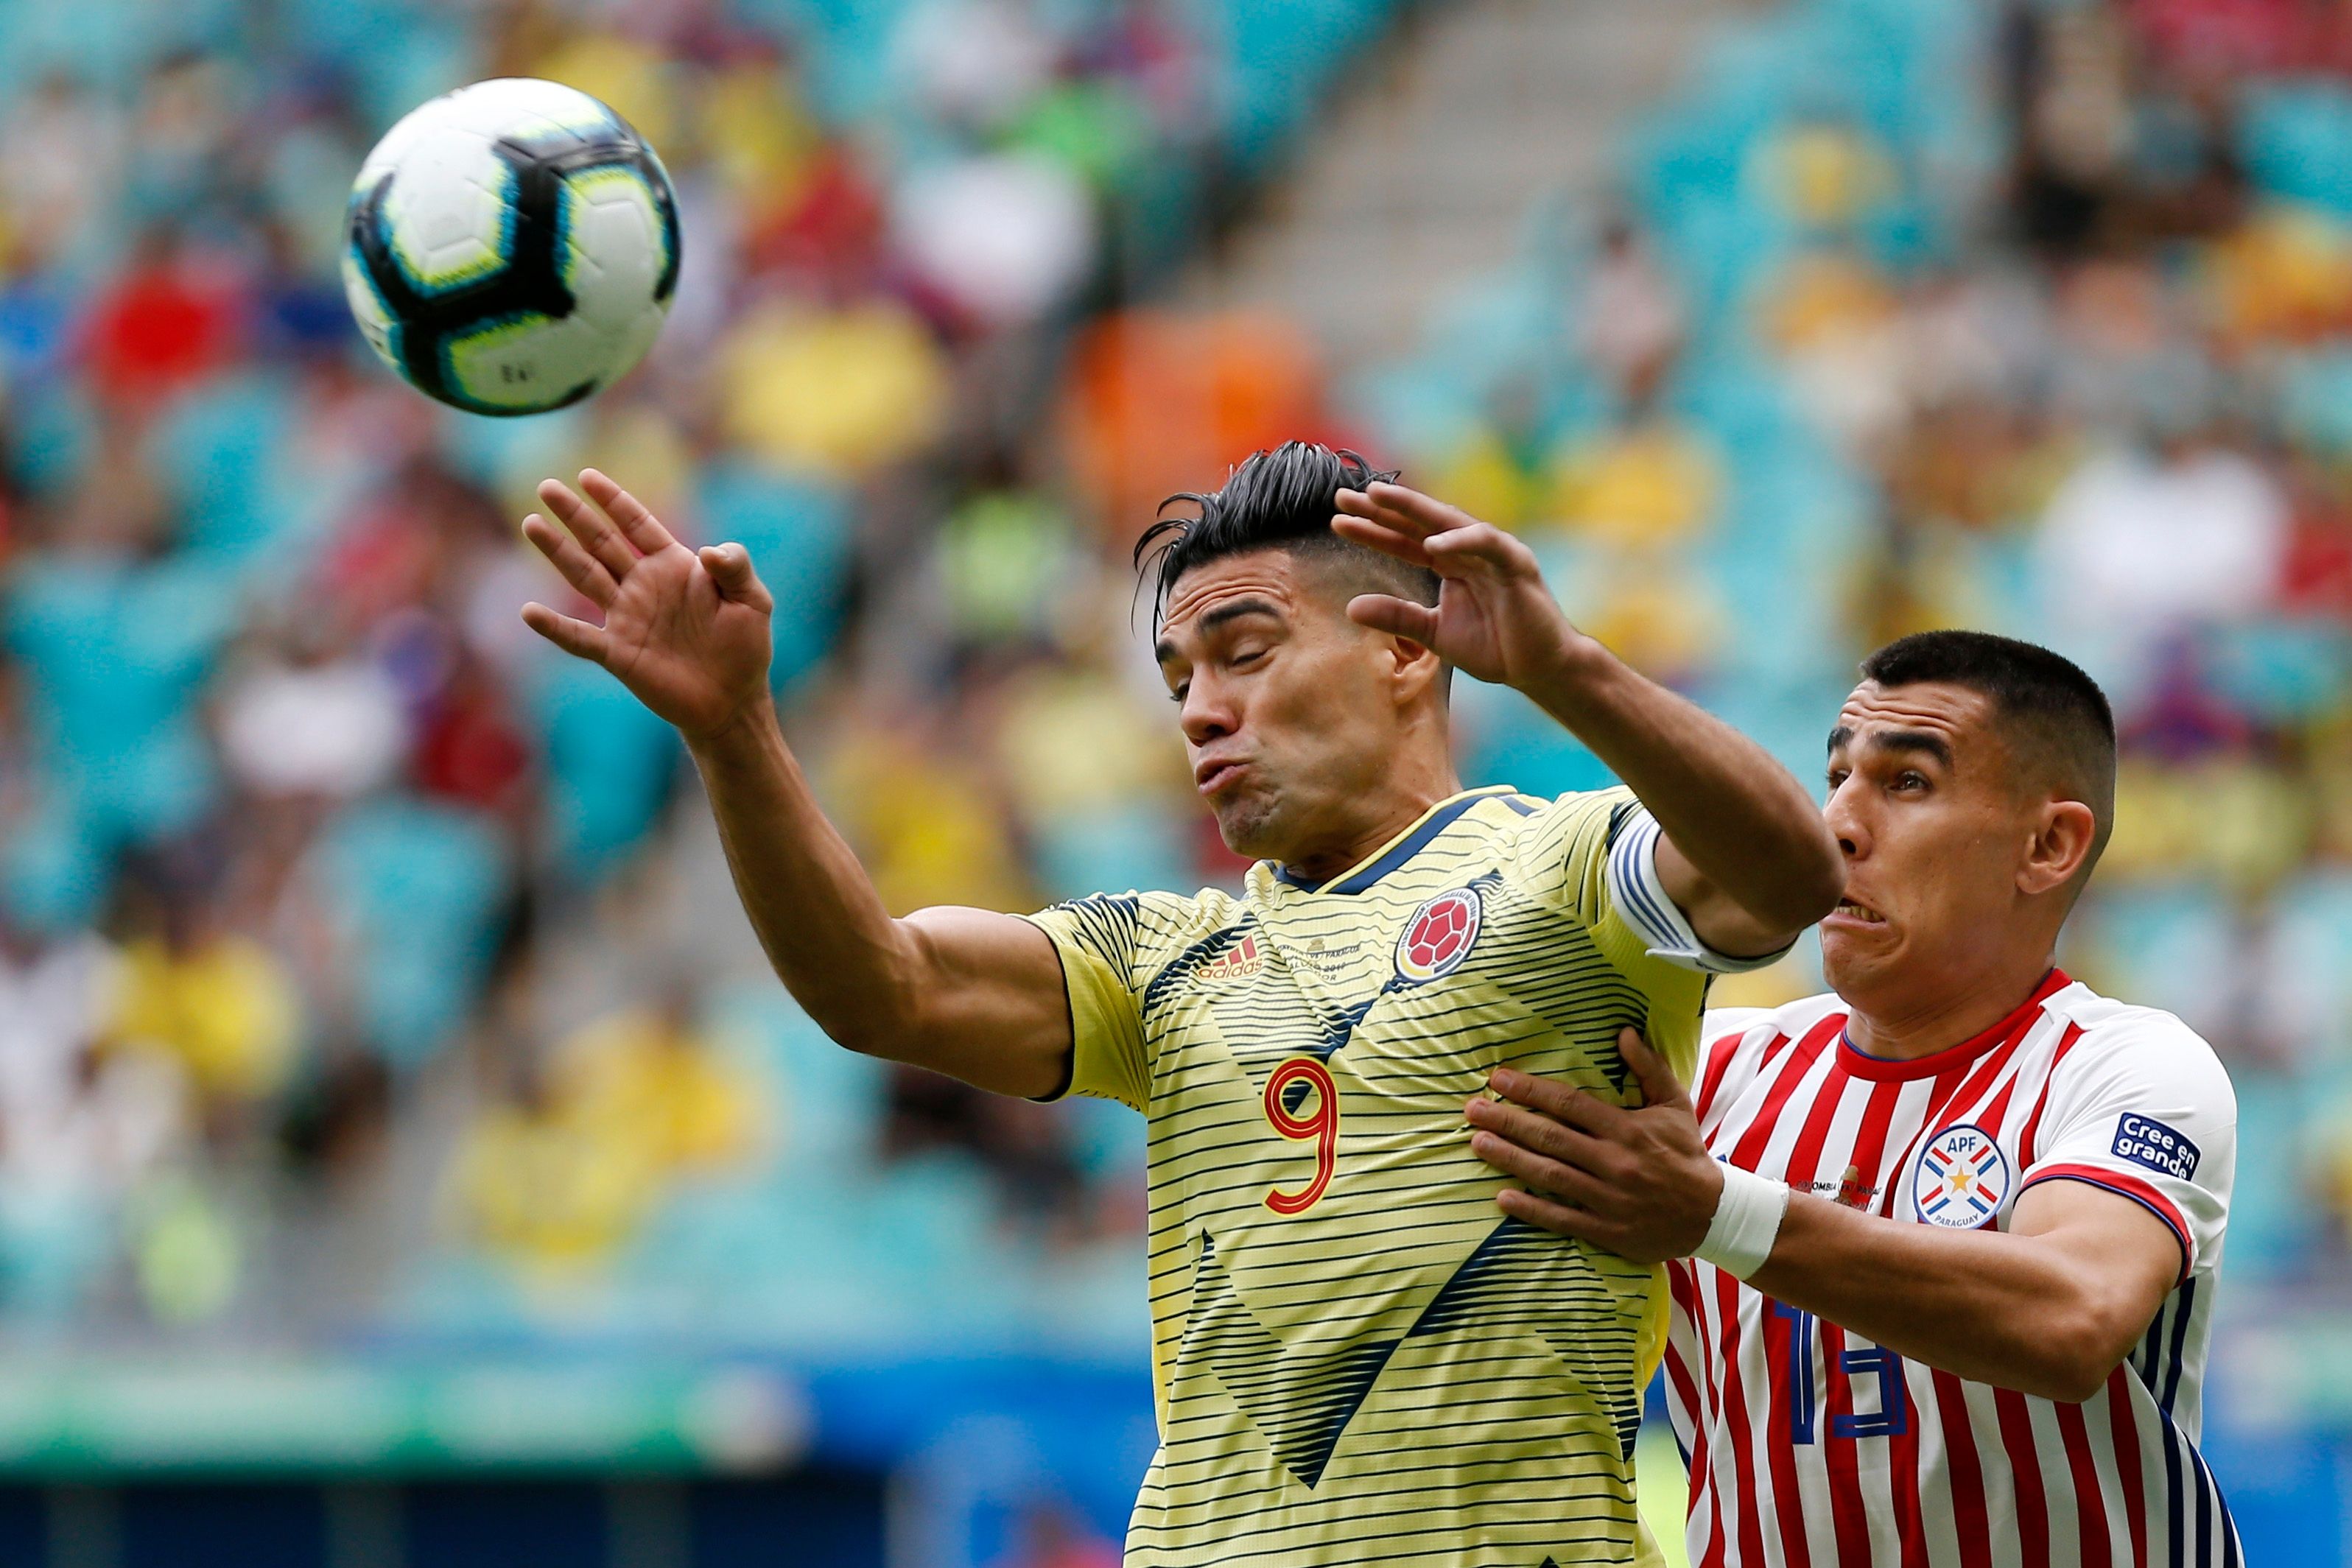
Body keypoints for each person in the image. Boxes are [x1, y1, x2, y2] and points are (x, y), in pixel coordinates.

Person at [515, 441, 1845, 1566]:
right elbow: (881, 987)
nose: (1201, 710)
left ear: (1402, 650)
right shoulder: (1160, 956)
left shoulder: (1563, 868)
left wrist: (1562, 669)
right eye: (1176, 682)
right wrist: (733, 729)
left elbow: (1789, 875)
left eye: (1243, 652)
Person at [1464, 630, 2242, 1567]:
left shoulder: (2128, 1066)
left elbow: (2072, 1317)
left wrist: (1715, 1210)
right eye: (1836, 776)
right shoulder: (1708, 1073)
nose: (1836, 823)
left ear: (2048, 844)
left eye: (1907, 782)